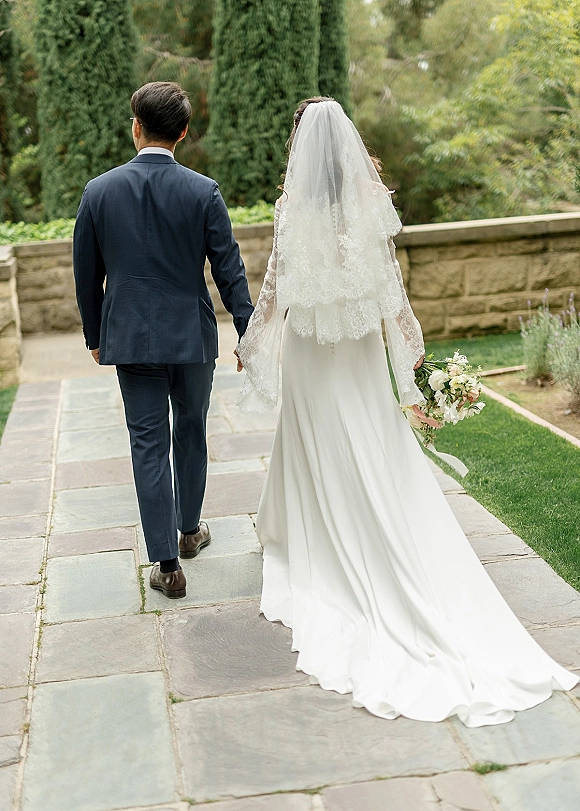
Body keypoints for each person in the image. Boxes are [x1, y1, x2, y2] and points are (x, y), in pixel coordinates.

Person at [236, 97, 577, 727]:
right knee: (365, 438)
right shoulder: (369, 206)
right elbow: (391, 292)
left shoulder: (291, 210)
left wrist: (252, 343)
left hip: (313, 348)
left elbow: (278, 287)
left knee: (317, 439)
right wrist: (409, 362)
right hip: (360, 345)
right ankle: (313, 527)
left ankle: (315, 538)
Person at [73, 81, 254, 599]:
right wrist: (248, 334)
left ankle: (167, 564)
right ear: (183, 132)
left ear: (136, 127)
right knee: (191, 430)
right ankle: (190, 530)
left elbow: (86, 274)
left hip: (129, 337)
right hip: (192, 338)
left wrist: (95, 333)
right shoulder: (203, 191)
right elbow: (230, 272)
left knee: (147, 443)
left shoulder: (98, 192)